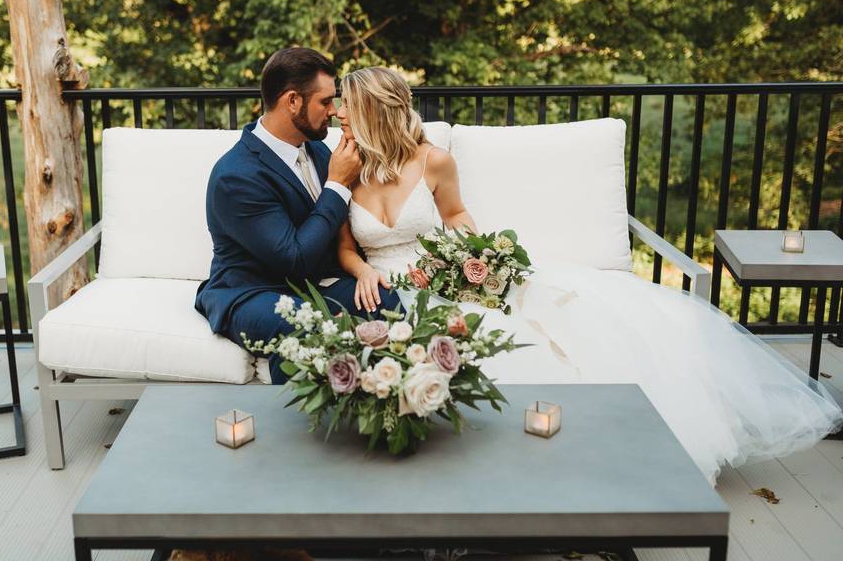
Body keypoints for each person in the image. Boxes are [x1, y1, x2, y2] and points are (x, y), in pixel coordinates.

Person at [335, 65, 843, 484]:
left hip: (441, 278)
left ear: (373, 112)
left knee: (531, 339)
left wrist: (464, 260)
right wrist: (362, 271)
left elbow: (457, 219)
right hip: (383, 289)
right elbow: (344, 243)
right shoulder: (343, 162)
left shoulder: (434, 161)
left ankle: (546, 465)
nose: (338, 114)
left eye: (346, 106)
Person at [194, 49, 401, 385]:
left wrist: (365, 270)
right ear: (292, 101)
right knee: (305, 328)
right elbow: (293, 258)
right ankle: (298, 429)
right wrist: (336, 184)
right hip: (252, 291)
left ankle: (386, 403)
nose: (334, 112)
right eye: (326, 102)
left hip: (311, 285)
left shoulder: (317, 150)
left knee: (385, 303)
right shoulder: (237, 176)